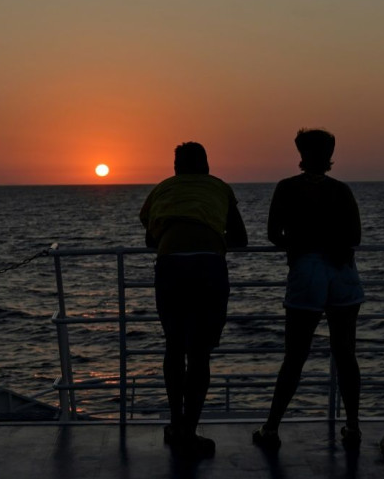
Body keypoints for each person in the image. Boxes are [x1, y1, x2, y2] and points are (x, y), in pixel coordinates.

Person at [253, 128, 365, 452]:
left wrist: (302, 243)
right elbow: (354, 236)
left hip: (307, 270)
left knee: (295, 355)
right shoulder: (342, 191)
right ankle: (354, 426)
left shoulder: (287, 188)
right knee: (345, 353)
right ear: (330, 154)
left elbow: (275, 234)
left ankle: (272, 428)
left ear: (301, 153)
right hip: (343, 271)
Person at [140, 141, 248, 457]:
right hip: (208, 266)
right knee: (199, 353)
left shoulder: (162, 189)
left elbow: (150, 239)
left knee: (174, 346)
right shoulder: (220, 188)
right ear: (207, 165)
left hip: (171, 263)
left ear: (176, 167)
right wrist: (211, 236)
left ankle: (175, 425)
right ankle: (189, 430)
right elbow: (240, 239)